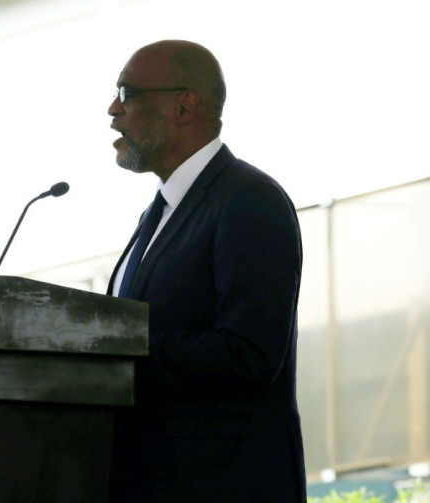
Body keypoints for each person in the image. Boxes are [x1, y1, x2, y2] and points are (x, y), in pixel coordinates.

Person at [107, 40, 306, 502]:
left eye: (127, 92)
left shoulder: (248, 200)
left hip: (221, 485)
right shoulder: (157, 215)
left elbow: (249, 354)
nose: (113, 109)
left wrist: (111, 356)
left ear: (184, 105)